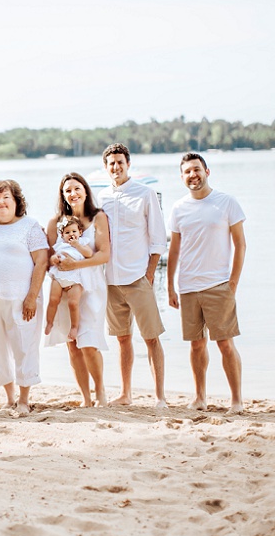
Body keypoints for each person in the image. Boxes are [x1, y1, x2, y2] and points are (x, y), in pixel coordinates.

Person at [167, 153, 246, 413]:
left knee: (225, 343)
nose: (193, 175)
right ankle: (200, 397)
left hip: (218, 285)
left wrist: (233, 282)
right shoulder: (179, 208)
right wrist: (170, 285)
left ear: (207, 171)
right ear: (182, 177)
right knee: (196, 344)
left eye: (196, 169)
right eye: (187, 171)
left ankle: (236, 400)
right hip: (188, 287)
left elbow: (240, 244)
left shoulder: (226, 203)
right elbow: (175, 250)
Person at [97, 143, 168, 408]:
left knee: (151, 338)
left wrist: (149, 274)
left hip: (138, 278)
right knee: (122, 338)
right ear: (106, 167)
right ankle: (126, 394)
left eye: (120, 162)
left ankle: (160, 397)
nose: (116, 167)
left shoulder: (145, 193)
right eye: (111, 163)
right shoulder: (101, 198)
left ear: (128, 164)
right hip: (111, 281)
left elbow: (158, 239)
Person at [0, 180, 48, 414]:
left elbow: (41, 262)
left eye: (6, 197)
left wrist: (32, 296)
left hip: (21, 298)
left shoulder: (30, 225)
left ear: (16, 200)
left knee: (24, 348)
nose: (1, 202)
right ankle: (9, 398)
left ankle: (24, 400)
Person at [46, 173, 110, 407]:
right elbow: (48, 255)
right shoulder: (56, 223)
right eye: (67, 191)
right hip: (65, 287)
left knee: (89, 342)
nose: (73, 194)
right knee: (72, 344)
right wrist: (55, 262)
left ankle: (100, 391)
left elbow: (104, 255)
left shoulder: (98, 218)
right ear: (63, 196)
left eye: (76, 188)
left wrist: (77, 264)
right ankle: (85, 398)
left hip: (91, 287)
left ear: (85, 190)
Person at [44, 216, 99, 342]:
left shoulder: (83, 243)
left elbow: (89, 254)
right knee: (53, 299)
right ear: (62, 235)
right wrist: (55, 259)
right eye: (67, 232)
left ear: (80, 232)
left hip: (75, 278)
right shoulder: (60, 245)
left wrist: (76, 245)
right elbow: (52, 258)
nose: (71, 234)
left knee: (73, 303)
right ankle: (49, 322)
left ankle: (74, 327)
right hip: (59, 276)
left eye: (74, 231)